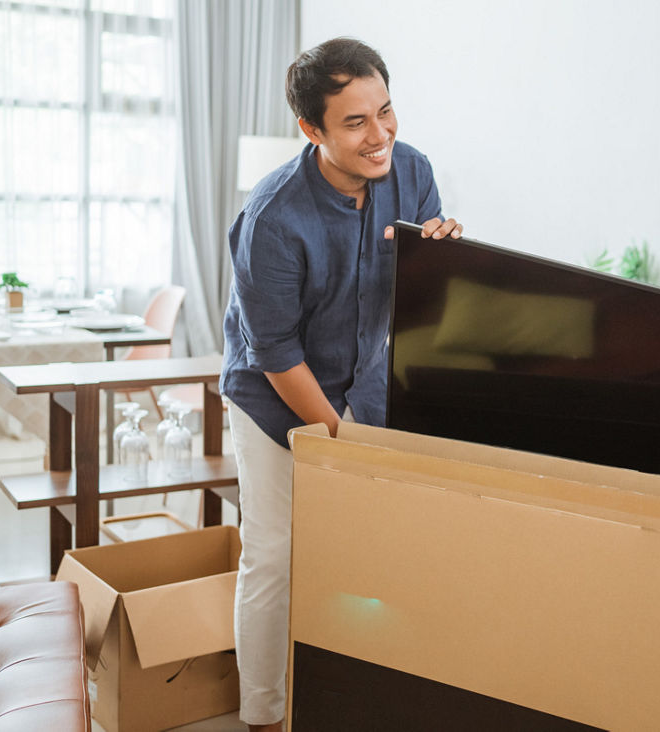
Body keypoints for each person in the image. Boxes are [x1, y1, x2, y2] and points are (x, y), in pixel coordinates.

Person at [220, 37, 462, 731]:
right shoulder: (273, 218)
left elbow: (421, 308)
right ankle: (263, 715)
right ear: (312, 130)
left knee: (378, 543)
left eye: (385, 112)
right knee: (275, 552)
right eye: (355, 123)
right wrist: (335, 441)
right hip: (274, 393)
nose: (379, 135)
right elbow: (275, 352)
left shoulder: (411, 172)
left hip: (366, 378)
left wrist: (437, 265)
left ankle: (362, 691)